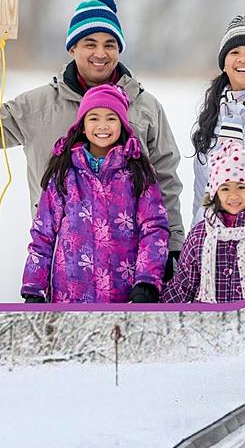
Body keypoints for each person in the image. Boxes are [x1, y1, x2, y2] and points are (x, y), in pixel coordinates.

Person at [0, 0, 185, 276]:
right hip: (63, 263)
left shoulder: (146, 107)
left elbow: (166, 179)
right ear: (73, 47)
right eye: (90, 44)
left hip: (133, 264)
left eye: (109, 45)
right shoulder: (36, 107)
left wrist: (172, 244)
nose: (101, 53)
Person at [21, 85, 170, 303]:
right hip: (70, 293)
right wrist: (34, 286)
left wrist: (147, 280)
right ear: (82, 126)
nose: (102, 126)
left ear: (122, 125)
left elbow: (154, 227)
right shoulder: (63, 172)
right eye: (93, 118)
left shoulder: (138, 172)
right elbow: (43, 232)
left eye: (111, 118)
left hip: (124, 292)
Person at [191, 15, 245, 237]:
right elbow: (202, 192)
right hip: (214, 241)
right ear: (224, 63)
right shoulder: (212, 112)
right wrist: (195, 240)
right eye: (234, 52)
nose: (243, 59)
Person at [162, 140, 245, 303]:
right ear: (215, 194)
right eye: (225, 188)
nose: (234, 196)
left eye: (241, 187)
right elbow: (183, 286)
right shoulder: (199, 235)